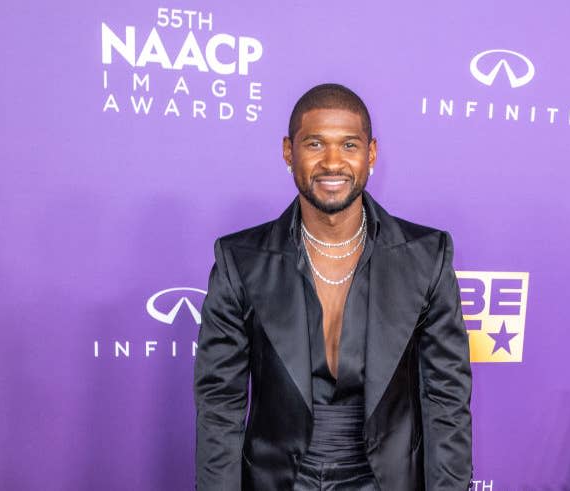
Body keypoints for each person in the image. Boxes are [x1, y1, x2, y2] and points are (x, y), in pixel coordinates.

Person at [194, 83, 472, 490]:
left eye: (349, 145)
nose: (332, 162)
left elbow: (446, 401)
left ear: (371, 154)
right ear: (289, 151)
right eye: (314, 144)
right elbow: (220, 404)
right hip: (277, 480)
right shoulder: (240, 260)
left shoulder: (426, 256)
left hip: (387, 480)